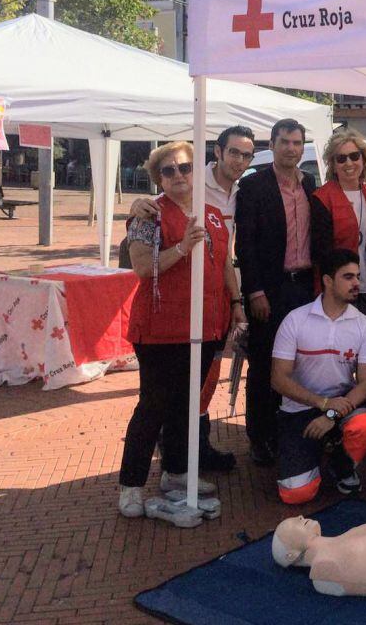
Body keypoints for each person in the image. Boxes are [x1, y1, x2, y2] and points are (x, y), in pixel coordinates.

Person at [118, 142, 245, 523]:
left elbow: (223, 263)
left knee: (187, 405)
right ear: (159, 177)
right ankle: (131, 484)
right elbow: (142, 267)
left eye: (185, 168)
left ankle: (176, 473)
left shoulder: (213, 214)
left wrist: (236, 303)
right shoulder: (149, 215)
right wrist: (181, 248)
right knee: (153, 406)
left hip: (205, 324)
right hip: (161, 328)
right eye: (169, 171)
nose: (179, 176)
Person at [271, 249, 366, 504]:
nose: (356, 283)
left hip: (341, 408)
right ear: (328, 281)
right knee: (295, 494)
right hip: (298, 410)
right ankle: (311, 453)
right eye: (348, 277)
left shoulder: (364, 325)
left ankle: (340, 465)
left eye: (357, 276)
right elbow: (278, 379)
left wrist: (331, 413)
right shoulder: (295, 320)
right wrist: (321, 404)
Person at [235, 118, 316, 466]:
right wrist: (254, 291)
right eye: (284, 142)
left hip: (305, 288)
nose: (291, 149)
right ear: (272, 145)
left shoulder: (309, 183)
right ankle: (260, 436)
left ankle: (291, 430)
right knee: (265, 361)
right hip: (270, 289)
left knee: (299, 363)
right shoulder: (254, 186)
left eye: (297, 143)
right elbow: (246, 244)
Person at [311, 129, 366, 334]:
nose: (349, 163)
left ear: (363, 158)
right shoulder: (322, 198)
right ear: (333, 164)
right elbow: (320, 251)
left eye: (354, 156)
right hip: (339, 292)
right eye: (341, 159)